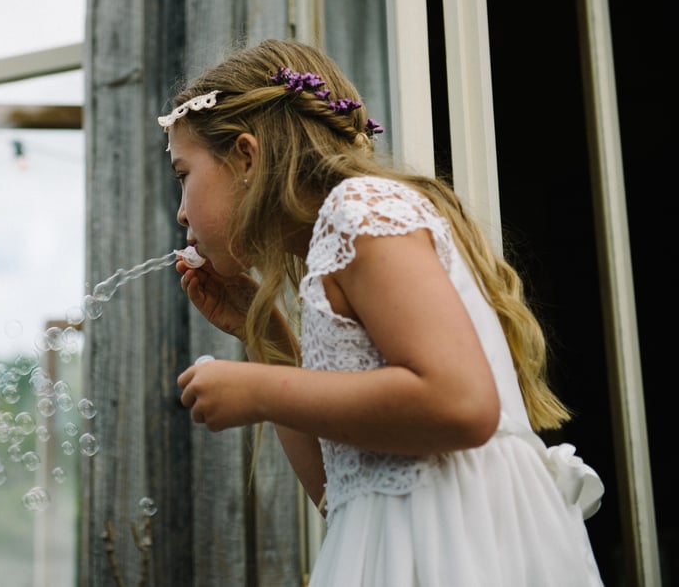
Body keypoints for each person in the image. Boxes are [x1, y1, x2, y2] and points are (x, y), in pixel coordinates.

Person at [158, 38, 604, 586]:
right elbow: (339, 489)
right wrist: (260, 328)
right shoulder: (335, 242)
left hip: (457, 551)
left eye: (184, 175)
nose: (181, 213)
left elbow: (461, 404)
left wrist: (256, 391)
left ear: (247, 157)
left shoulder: (359, 212)